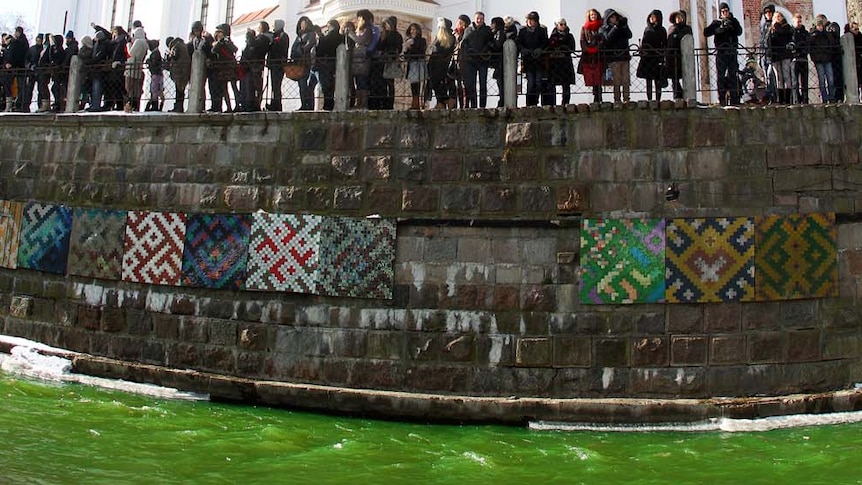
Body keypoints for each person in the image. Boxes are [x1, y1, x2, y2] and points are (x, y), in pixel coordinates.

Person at [704, 2, 742, 105]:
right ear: (720, 12)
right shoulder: (717, 22)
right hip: (721, 52)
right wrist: (718, 30)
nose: (725, 13)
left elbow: (739, 32)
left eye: (726, 11)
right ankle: (722, 98)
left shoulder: (734, 21)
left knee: (733, 75)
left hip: (732, 51)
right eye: (723, 11)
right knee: (720, 76)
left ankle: (734, 98)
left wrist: (731, 26)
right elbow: (706, 32)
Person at [599, 8, 632, 104]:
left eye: (615, 17)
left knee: (626, 79)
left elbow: (629, 35)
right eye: (612, 17)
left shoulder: (621, 27)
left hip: (624, 56)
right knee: (616, 79)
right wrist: (615, 28)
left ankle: (627, 98)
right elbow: (607, 40)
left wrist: (624, 26)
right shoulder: (604, 28)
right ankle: (617, 98)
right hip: (614, 57)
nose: (614, 19)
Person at [517, 11, 549, 107]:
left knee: (538, 82)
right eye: (528, 20)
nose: (530, 22)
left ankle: (535, 101)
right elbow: (519, 43)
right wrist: (524, 50)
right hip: (528, 60)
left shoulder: (541, 30)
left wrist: (539, 50)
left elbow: (545, 43)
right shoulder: (523, 31)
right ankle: (530, 103)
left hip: (539, 60)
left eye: (532, 20)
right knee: (530, 82)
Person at [343, 10, 374, 109]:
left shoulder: (368, 30)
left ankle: (363, 103)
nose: (358, 20)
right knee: (357, 83)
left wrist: (351, 33)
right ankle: (358, 102)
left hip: (363, 60)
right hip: (355, 61)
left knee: (362, 82)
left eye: (360, 18)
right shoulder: (358, 30)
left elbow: (360, 40)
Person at [462, 12, 492, 108]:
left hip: (483, 60)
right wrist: (469, 51)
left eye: (481, 18)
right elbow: (464, 43)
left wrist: (485, 50)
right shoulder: (468, 30)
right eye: (477, 18)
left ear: (483, 19)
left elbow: (491, 43)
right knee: (471, 84)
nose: (479, 20)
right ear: (474, 19)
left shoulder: (487, 30)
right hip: (471, 60)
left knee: (483, 84)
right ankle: (473, 105)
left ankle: (483, 106)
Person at [637, 10, 667, 102]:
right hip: (647, 57)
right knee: (648, 80)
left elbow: (665, 43)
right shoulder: (647, 29)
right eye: (651, 17)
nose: (652, 19)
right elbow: (644, 41)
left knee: (658, 80)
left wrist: (662, 53)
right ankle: (649, 99)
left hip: (657, 57)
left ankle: (658, 99)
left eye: (653, 17)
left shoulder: (662, 30)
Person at [427, 17, 456, 109]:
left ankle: (446, 100)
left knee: (436, 83)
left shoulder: (447, 38)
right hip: (436, 64)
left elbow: (439, 51)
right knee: (435, 83)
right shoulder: (441, 38)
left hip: (438, 65)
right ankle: (440, 103)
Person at [208, 24, 237, 112]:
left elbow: (234, 49)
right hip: (223, 69)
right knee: (224, 89)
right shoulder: (217, 43)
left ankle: (237, 105)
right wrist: (220, 42)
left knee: (233, 87)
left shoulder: (228, 41)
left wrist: (226, 42)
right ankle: (229, 107)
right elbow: (213, 50)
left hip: (229, 68)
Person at [314, 19, 342, 111]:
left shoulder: (327, 37)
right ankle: (331, 104)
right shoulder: (341, 37)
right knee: (332, 85)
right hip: (337, 63)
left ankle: (327, 105)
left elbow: (321, 49)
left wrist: (320, 36)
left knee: (325, 85)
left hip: (325, 63)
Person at [547, 18, 575, 105]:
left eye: (564, 24)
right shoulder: (553, 36)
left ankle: (565, 103)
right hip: (555, 64)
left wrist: (564, 50)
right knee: (552, 84)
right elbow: (549, 48)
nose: (563, 26)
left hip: (566, 63)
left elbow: (572, 48)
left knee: (566, 84)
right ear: (557, 25)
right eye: (561, 24)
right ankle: (553, 103)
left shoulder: (569, 36)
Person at [578, 9, 604, 103]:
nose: (593, 16)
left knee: (599, 75)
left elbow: (603, 39)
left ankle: (599, 95)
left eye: (595, 14)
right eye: (591, 14)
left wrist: (597, 47)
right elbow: (582, 40)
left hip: (599, 56)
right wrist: (588, 49)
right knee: (592, 76)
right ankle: (595, 95)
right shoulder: (584, 28)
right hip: (588, 57)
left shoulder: (601, 27)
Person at [292, 16, 317, 111]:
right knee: (301, 85)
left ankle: (309, 106)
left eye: (304, 24)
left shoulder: (311, 34)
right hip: (298, 62)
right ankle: (303, 104)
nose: (302, 26)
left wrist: (300, 49)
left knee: (306, 85)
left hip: (306, 62)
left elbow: (308, 46)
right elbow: (294, 48)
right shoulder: (298, 36)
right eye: (301, 24)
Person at [666, 10, 692, 100]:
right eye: (677, 17)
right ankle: (677, 95)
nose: (678, 19)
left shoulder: (687, 29)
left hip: (682, 56)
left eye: (680, 17)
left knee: (685, 76)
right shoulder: (671, 28)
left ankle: (686, 94)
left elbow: (686, 39)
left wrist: (676, 35)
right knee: (674, 78)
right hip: (671, 57)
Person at [378, 16, 402, 110]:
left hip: (389, 60)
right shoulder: (388, 34)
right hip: (385, 60)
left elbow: (397, 49)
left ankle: (388, 103)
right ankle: (386, 103)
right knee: (386, 83)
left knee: (389, 83)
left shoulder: (393, 35)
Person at [265, 19, 289, 111]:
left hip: (278, 64)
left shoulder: (283, 36)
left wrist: (274, 42)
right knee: (274, 85)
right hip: (273, 63)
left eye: (274, 25)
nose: (273, 27)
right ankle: (274, 103)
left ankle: (277, 104)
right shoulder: (276, 35)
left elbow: (281, 48)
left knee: (277, 85)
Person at [810, 18, 835, 103]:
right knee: (821, 80)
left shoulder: (826, 34)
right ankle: (824, 98)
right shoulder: (813, 35)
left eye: (821, 26)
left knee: (830, 79)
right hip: (818, 60)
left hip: (827, 58)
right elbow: (811, 47)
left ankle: (831, 97)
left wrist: (829, 53)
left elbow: (831, 43)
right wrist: (814, 58)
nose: (820, 27)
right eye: (818, 26)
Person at [2, 27, 28, 112]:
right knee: (11, 85)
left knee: (19, 86)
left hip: (18, 68)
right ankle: (13, 104)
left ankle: (19, 104)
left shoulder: (18, 43)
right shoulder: (12, 45)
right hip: (15, 67)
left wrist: (11, 63)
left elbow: (16, 55)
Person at [165, 36, 191, 112]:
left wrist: (170, 55)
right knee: (181, 90)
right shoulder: (182, 44)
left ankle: (178, 107)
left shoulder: (176, 46)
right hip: (184, 71)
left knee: (179, 90)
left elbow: (175, 57)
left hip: (179, 71)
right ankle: (179, 106)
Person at [124, 28, 147, 112]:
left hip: (131, 67)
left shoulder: (138, 42)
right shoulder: (144, 43)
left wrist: (128, 44)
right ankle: (135, 106)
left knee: (129, 88)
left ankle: (130, 106)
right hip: (138, 67)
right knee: (136, 89)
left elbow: (131, 53)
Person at [790, 13, 810, 104]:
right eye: (797, 22)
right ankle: (796, 100)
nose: (799, 23)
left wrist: (802, 47)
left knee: (804, 81)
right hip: (794, 59)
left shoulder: (805, 33)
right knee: (795, 82)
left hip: (803, 58)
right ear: (793, 22)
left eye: (800, 21)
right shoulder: (791, 33)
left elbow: (808, 44)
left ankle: (805, 99)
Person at [760, 5, 776, 103]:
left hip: (771, 54)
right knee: (766, 76)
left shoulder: (775, 25)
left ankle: (772, 95)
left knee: (771, 76)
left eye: (770, 12)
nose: (768, 14)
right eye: (766, 13)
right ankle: (769, 95)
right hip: (763, 54)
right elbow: (762, 40)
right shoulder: (764, 26)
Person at [145, 39, 164, 111]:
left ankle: (154, 106)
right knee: (156, 89)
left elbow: (154, 64)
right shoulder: (157, 53)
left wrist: (148, 61)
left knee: (154, 89)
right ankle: (155, 105)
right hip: (157, 74)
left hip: (155, 74)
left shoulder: (155, 54)